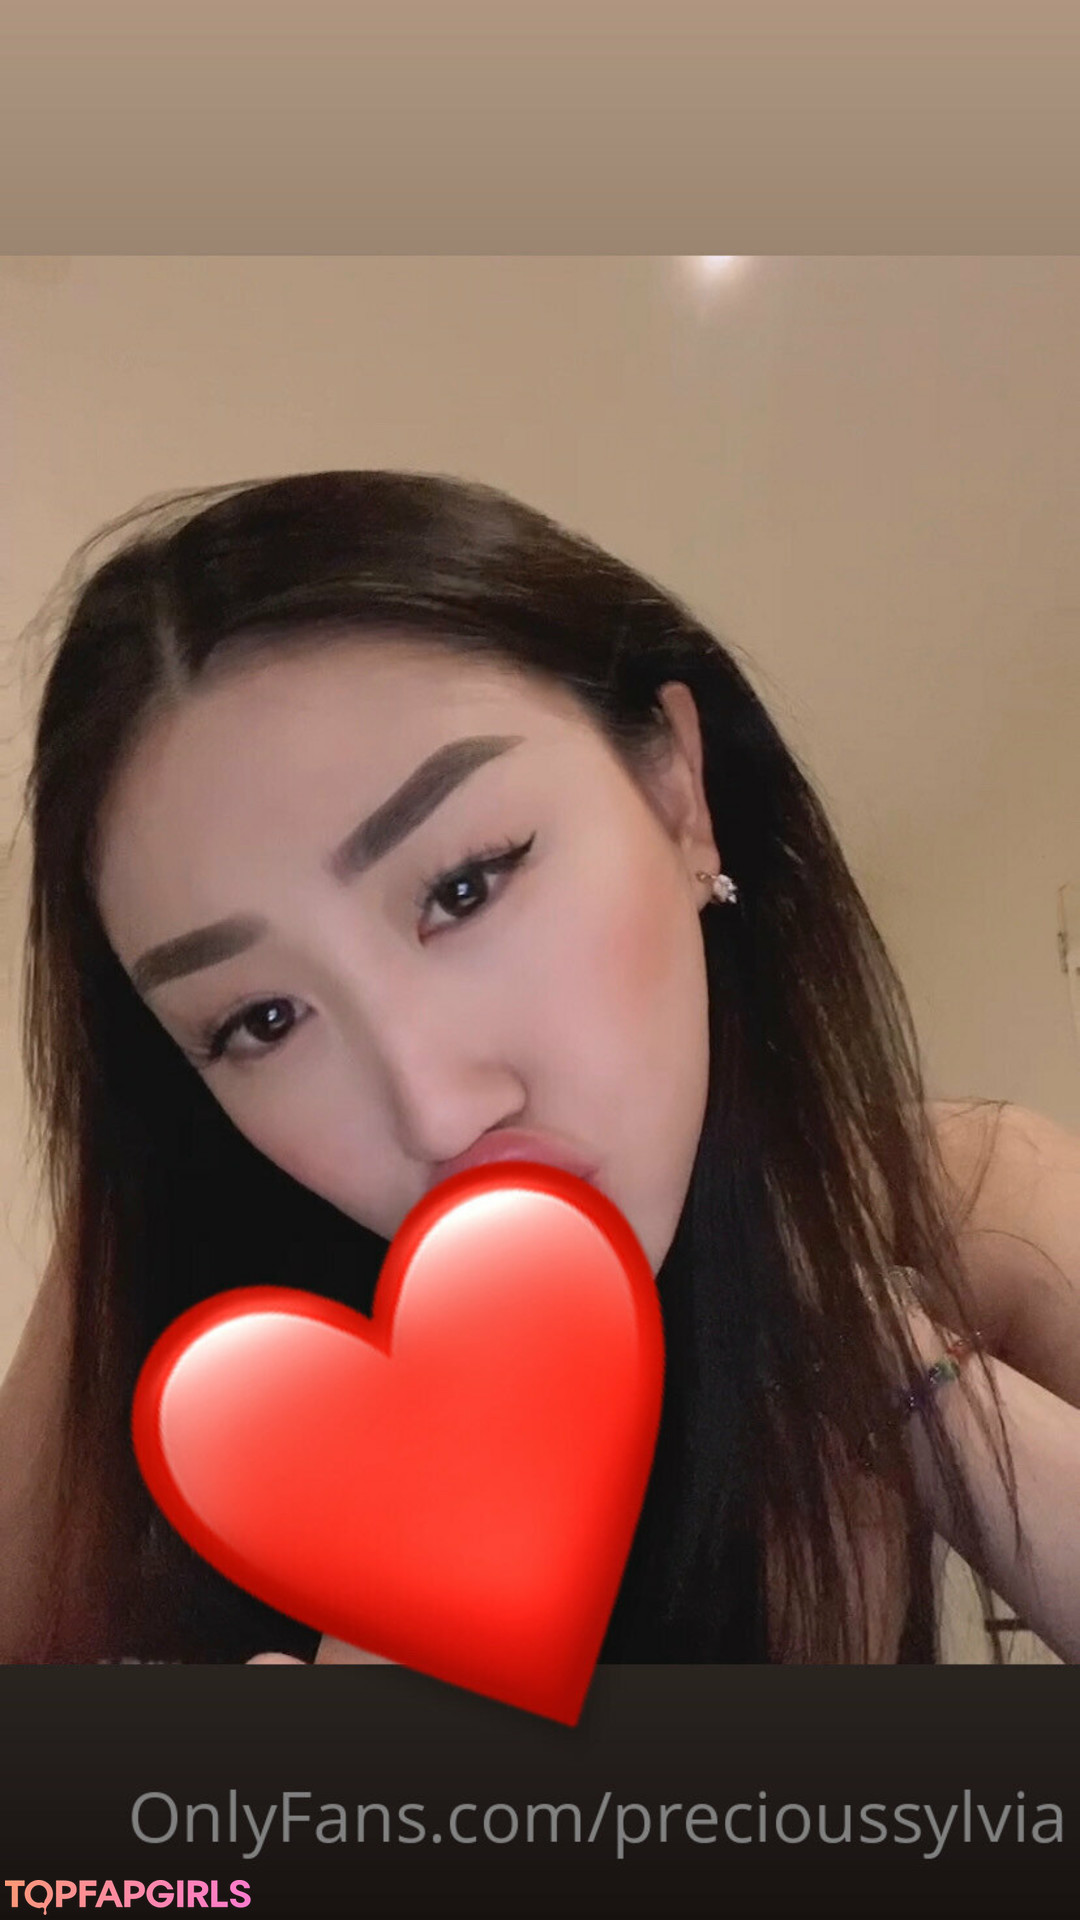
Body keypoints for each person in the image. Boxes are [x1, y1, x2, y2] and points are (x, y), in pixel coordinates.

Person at [3, 470, 1079, 1669]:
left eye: (464, 887)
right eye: (259, 1020)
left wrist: (898, 1367)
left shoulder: (976, 1200)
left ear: (677, 795)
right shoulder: (183, 1325)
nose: (436, 1111)